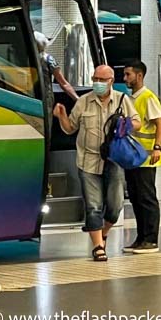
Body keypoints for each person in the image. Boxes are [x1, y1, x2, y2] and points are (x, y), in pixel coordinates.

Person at [53, 65, 140, 261]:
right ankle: (98, 246)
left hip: (114, 160)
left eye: (101, 79)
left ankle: (104, 233)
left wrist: (123, 124)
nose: (97, 83)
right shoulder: (83, 102)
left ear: (111, 81)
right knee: (93, 206)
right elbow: (69, 129)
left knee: (115, 206)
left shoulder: (122, 100)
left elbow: (137, 123)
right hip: (88, 161)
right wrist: (61, 116)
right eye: (95, 79)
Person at [122, 60, 161, 254]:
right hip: (132, 157)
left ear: (139, 76)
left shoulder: (147, 97)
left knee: (146, 198)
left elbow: (160, 123)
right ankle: (141, 238)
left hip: (146, 157)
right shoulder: (130, 98)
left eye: (128, 75)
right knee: (136, 198)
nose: (125, 79)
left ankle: (151, 239)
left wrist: (158, 147)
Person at [34, 31, 79, 143]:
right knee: (45, 127)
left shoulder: (21, 57)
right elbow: (63, 83)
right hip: (45, 98)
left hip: (28, 95)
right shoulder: (48, 59)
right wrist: (77, 99)